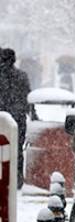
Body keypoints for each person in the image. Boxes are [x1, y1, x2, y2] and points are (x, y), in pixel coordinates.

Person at [0, 48, 32, 189]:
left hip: (2, 118)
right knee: (17, 149)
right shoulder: (22, 76)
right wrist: (32, 114)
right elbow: (27, 97)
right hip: (18, 118)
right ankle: (17, 178)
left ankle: (3, 175)